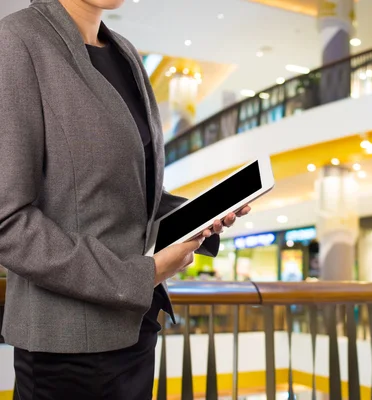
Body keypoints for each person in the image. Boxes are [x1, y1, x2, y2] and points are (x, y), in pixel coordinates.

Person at [0, 0, 250, 399]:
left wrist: (198, 215)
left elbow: (127, 193)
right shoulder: (16, 42)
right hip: (66, 352)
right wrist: (141, 276)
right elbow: (8, 224)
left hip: (135, 333)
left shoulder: (126, 53)